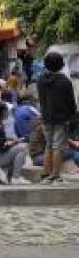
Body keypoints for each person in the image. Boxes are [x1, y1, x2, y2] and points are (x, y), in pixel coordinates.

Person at [37, 52, 78, 185]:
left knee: (49, 145)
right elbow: (71, 102)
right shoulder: (64, 81)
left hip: (46, 117)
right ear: (61, 65)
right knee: (58, 147)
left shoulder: (41, 80)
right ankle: (55, 175)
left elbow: (41, 99)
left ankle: (45, 174)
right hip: (61, 118)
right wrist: (72, 116)